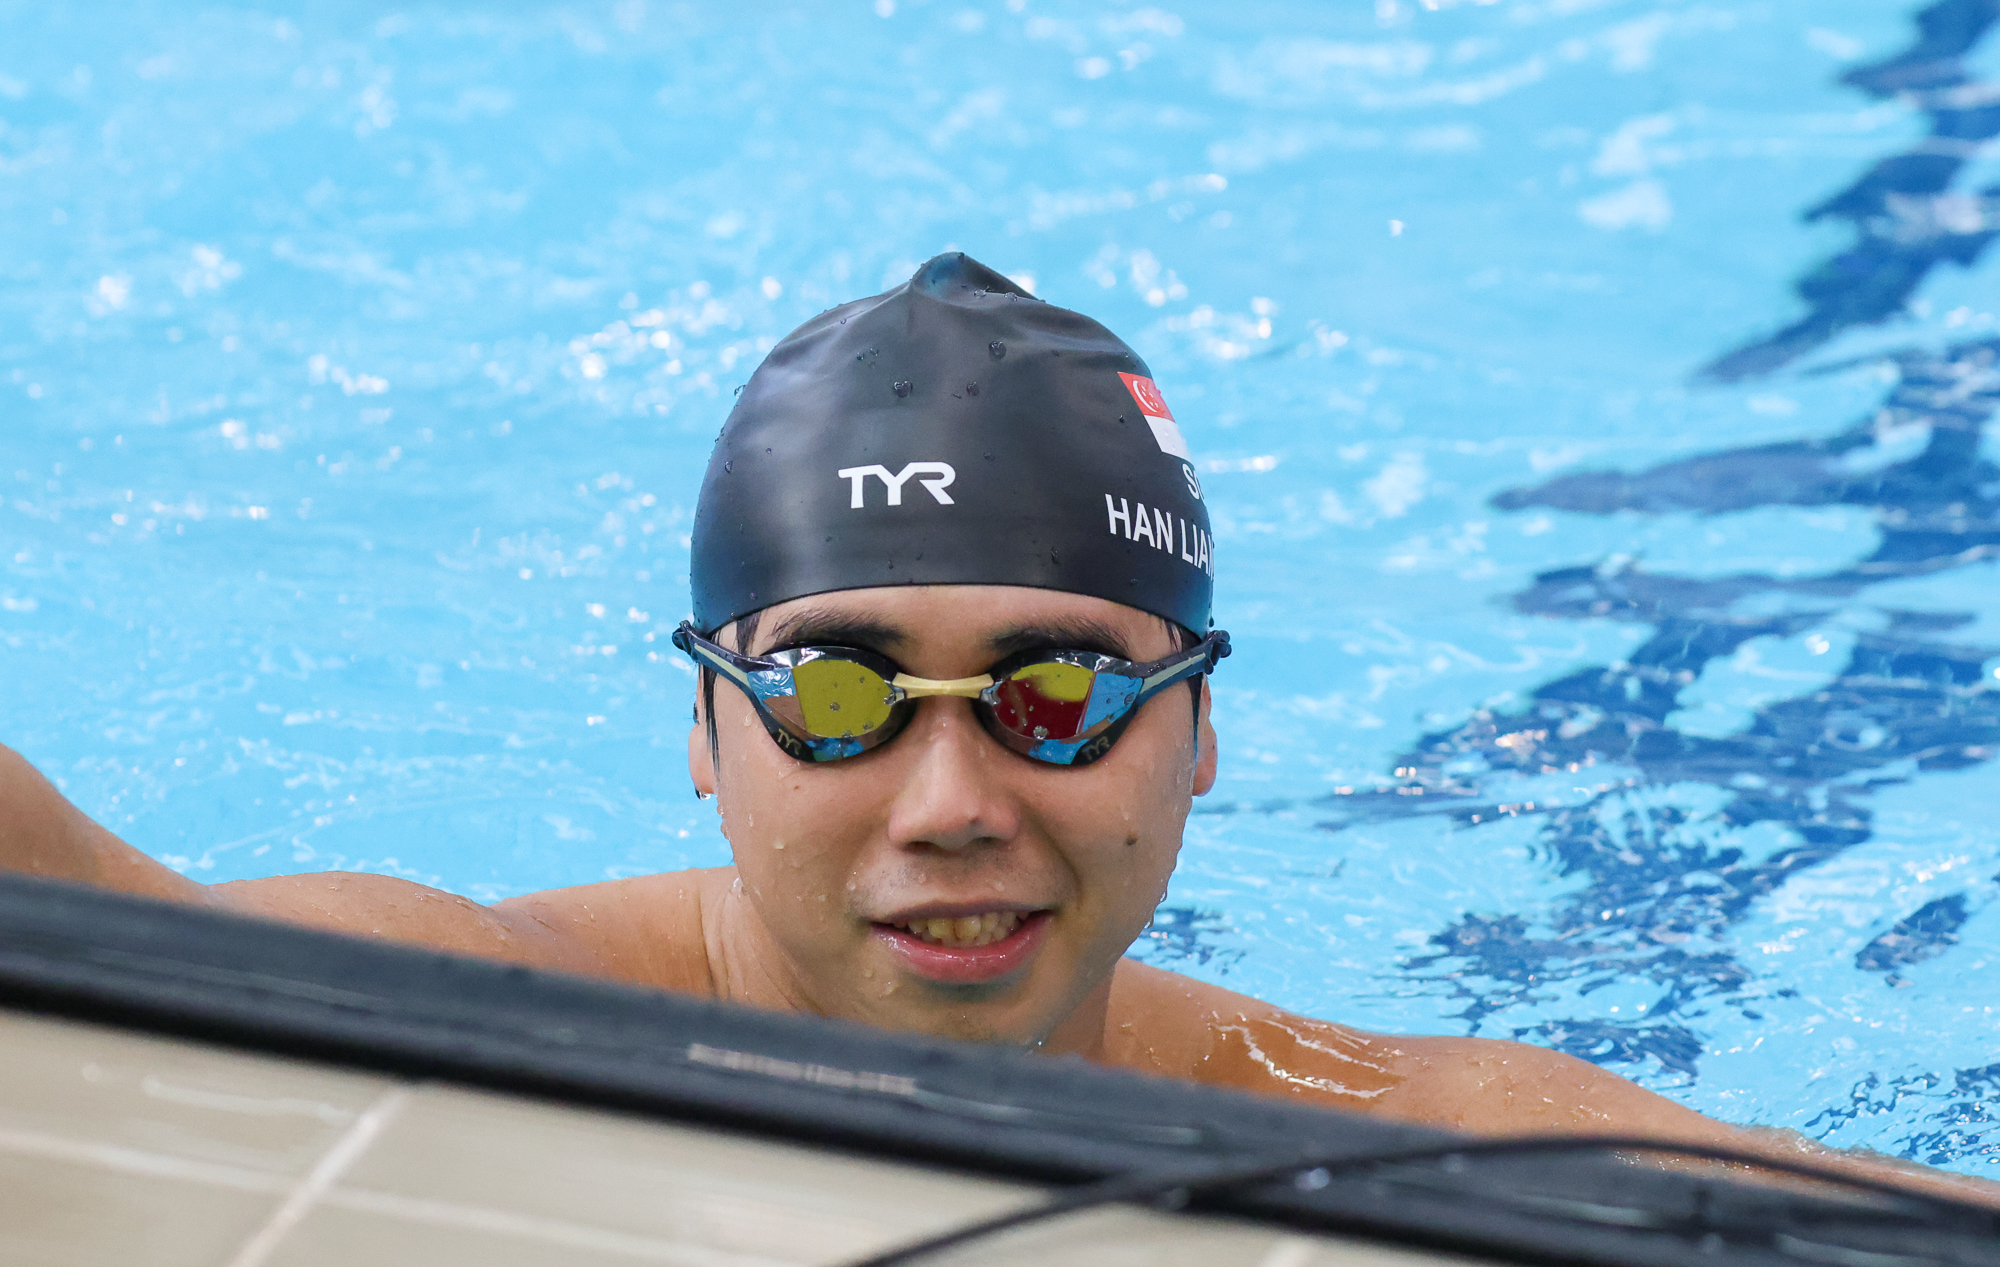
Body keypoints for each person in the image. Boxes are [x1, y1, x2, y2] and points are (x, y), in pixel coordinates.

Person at [0, 254, 1988, 1201]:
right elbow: (78, 902)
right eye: (842, 696)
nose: (950, 804)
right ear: (707, 730)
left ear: (1196, 739)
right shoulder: (466, 993)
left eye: (1057, 697)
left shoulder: (1372, 1123)